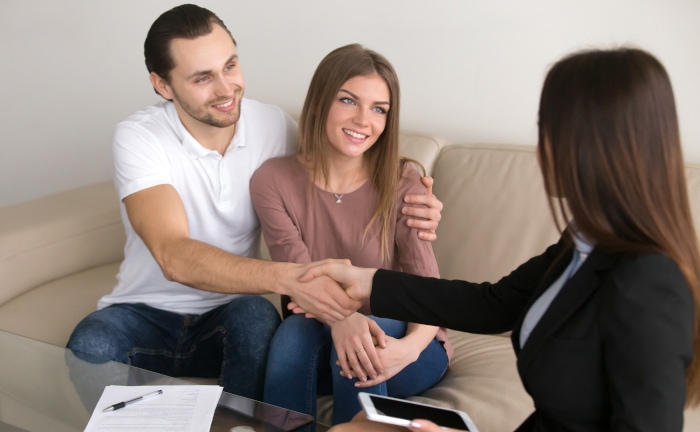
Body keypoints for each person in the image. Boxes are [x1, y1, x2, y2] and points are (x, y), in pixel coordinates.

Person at [299, 47, 700, 431]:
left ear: (595, 142)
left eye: (548, 129)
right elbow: (492, 304)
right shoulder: (583, 242)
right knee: (355, 428)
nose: (541, 147)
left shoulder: (649, 283)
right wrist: (369, 281)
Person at [66, 4, 444, 401]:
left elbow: (338, 155)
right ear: (163, 85)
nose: (225, 89)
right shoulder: (139, 137)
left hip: (233, 313)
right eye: (203, 77)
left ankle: (239, 425)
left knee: (259, 321)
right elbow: (173, 255)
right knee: (90, 344)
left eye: (230, 66)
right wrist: (295, 281)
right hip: (144, 311)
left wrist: (419, 202)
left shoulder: (274, 127)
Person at [249, 44, 451, 429]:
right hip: (319, 344)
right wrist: (343, 320)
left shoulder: (403, 182)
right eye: (348, 101)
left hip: (405, 349)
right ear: (319, 102)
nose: (363, 120)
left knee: (370, 334)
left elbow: (429, 291)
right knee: (293, 333)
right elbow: (301, 277)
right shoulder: (272, 181)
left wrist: (407, 350)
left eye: (379, 109)